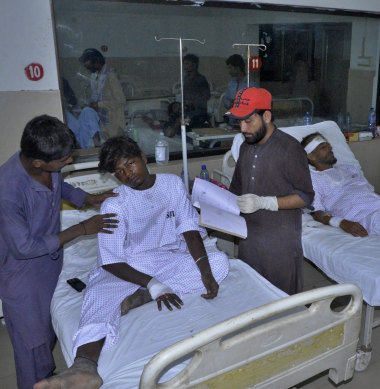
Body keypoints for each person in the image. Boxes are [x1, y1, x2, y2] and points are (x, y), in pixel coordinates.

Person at [34, 136, 229, 389]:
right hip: (128, 265)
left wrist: (204, 271)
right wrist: (154, 284)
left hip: (169, 258)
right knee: (99, 295)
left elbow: (190, 231)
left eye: (130, 164)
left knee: (219, 262)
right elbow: (111, 261)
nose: (127, 174)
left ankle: (141, 297)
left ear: (143, 159)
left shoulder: (172, 185)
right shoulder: (114, 205)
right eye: (119, 171)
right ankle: (84, 367)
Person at [0, 115, 118, 389]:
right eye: (63, 160)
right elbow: (24, 248)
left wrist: (87, 198)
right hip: (22, 275)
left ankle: (48, 371)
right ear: (39, 162)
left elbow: (59, 186)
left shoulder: (45, 165)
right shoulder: (7, 191)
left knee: (47, 330)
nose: (69, 162)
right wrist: (82, 228)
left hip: (50, 264)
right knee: (32, 345)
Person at [227, 87, 314, 295]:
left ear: (266, 116)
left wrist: (265, 202)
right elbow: (236, 188)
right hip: (249, 238)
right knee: (253, 295)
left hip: (279, 242)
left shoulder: (289, 149)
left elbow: (306, 196)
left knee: (282, 302)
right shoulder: (246, 146)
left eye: (249, 120)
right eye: (239, 121)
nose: (243, 128)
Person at [79, 48, 126, 139]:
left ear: (97, 63)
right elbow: (97, 96)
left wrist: (99, 104)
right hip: (103, 123)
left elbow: (121, 100)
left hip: (113, 123)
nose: (87, 68)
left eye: (89, 66)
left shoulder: (110, 76)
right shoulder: (96, 76)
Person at [182, 54, 211, 128]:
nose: (185, 66)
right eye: (184, 64)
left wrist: (194, 102)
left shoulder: (201, 79)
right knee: (185, 128)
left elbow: (206, 95)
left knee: (196, 130)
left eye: (187, 63)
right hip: (188, 111)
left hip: (199, 112)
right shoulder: (186, 78)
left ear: (194, 65)